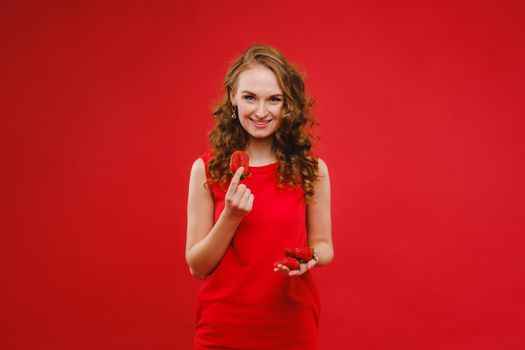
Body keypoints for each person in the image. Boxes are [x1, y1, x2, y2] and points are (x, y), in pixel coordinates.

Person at [186, 43, 334, 349]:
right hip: (222, 331)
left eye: (274, 100)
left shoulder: (312, 170)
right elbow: (197, 266)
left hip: (292, 328)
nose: (261, 112)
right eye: (250, 98)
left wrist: (312, 258)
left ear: (287, 104)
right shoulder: (206, 169)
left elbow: (324, 246)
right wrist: (231, 216)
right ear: (232, 97)